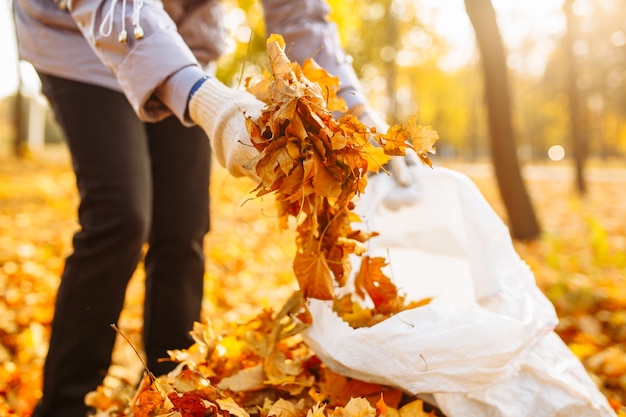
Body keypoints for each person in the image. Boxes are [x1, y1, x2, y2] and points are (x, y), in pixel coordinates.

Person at [12, 0, 419, 416]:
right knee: (121, 216)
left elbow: (299, 15)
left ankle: (170, 393)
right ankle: (65, 403)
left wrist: (359, 116)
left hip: (185, 43)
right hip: (78, 37)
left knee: (183, 226)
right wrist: (202, 98)